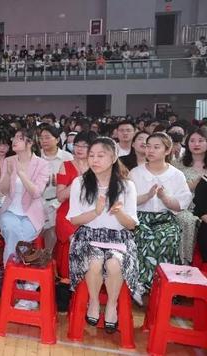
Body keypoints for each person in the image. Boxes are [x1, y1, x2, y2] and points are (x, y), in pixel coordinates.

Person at [67, 137, 142, 334]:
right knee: (94, 261)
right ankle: (93, 301)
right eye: (91, 155)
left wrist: (119, 212)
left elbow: (132, 225)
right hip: (87, 236)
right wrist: (96, 212)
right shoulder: (80, 183)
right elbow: (74, 220)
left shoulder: (127, 186)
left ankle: (111, 305)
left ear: (114, 157)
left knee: (114, 263)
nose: (95, 160)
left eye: (101, 155)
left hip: (118, 238)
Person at [130, 132, 192, 292]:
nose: (150, 150)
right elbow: (128, 201)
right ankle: (141, 284)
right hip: (140, 217)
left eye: (156, 147)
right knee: (144, 235)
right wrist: (147, 196)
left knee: (167, 237)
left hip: (166, 218)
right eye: (147, 146)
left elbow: (180, 204)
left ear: (167, 150)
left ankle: (158, 285)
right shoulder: (135, 173)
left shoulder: (176, 175)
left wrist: (165, 197)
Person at [0, 128, 50, 264]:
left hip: (32, 212)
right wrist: (8, 174)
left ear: (30, 142)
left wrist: (21, 173)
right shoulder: (9, 160)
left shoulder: (42, 164)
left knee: (15, 237)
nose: (14, 141)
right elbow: (2, 190)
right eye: (14, 137)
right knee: (11, 230)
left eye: (20, 138)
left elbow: (36, 193)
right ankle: (24, 276)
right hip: (9, 210)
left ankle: (11, 270)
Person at [54, 131, 97, 280]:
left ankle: (88, 283)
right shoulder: (65, 166)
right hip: (68, 213)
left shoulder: (98, 168)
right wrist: (77, 182)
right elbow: (60, 197)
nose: (79, 148)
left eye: (84, 146)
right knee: (75, 240)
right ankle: (69, 281)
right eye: (77, 144)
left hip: (92, 213)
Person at [173, 127, 207, 264]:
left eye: (201, 140)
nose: (196, 144)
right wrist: (195, 183)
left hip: (205, 206)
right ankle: (184, 262)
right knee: (187, 220)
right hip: (185, 206)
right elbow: (173, 190)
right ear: (187, 144)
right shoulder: (177, 164)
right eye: (192, 141)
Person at [38, 124, 73, 254]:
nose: (44, 141)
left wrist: (59, 183)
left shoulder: (67, 158)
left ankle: (47, 257)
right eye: (41, 138)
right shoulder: (35, 156)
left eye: (47, 137)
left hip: (59, 200)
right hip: (37, 200)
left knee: (53, 224)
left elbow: (72, 183)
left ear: (57, 139)